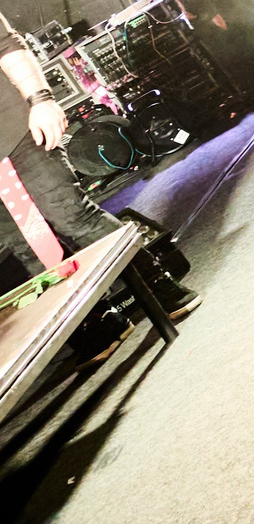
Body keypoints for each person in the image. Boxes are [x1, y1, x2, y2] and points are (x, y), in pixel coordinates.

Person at [0, 17, 199, 317]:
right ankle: (95, 322)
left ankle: (158, 284)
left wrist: (41, 100)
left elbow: (8, 46)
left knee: (73, 216)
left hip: (13, 135)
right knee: (30, 245)